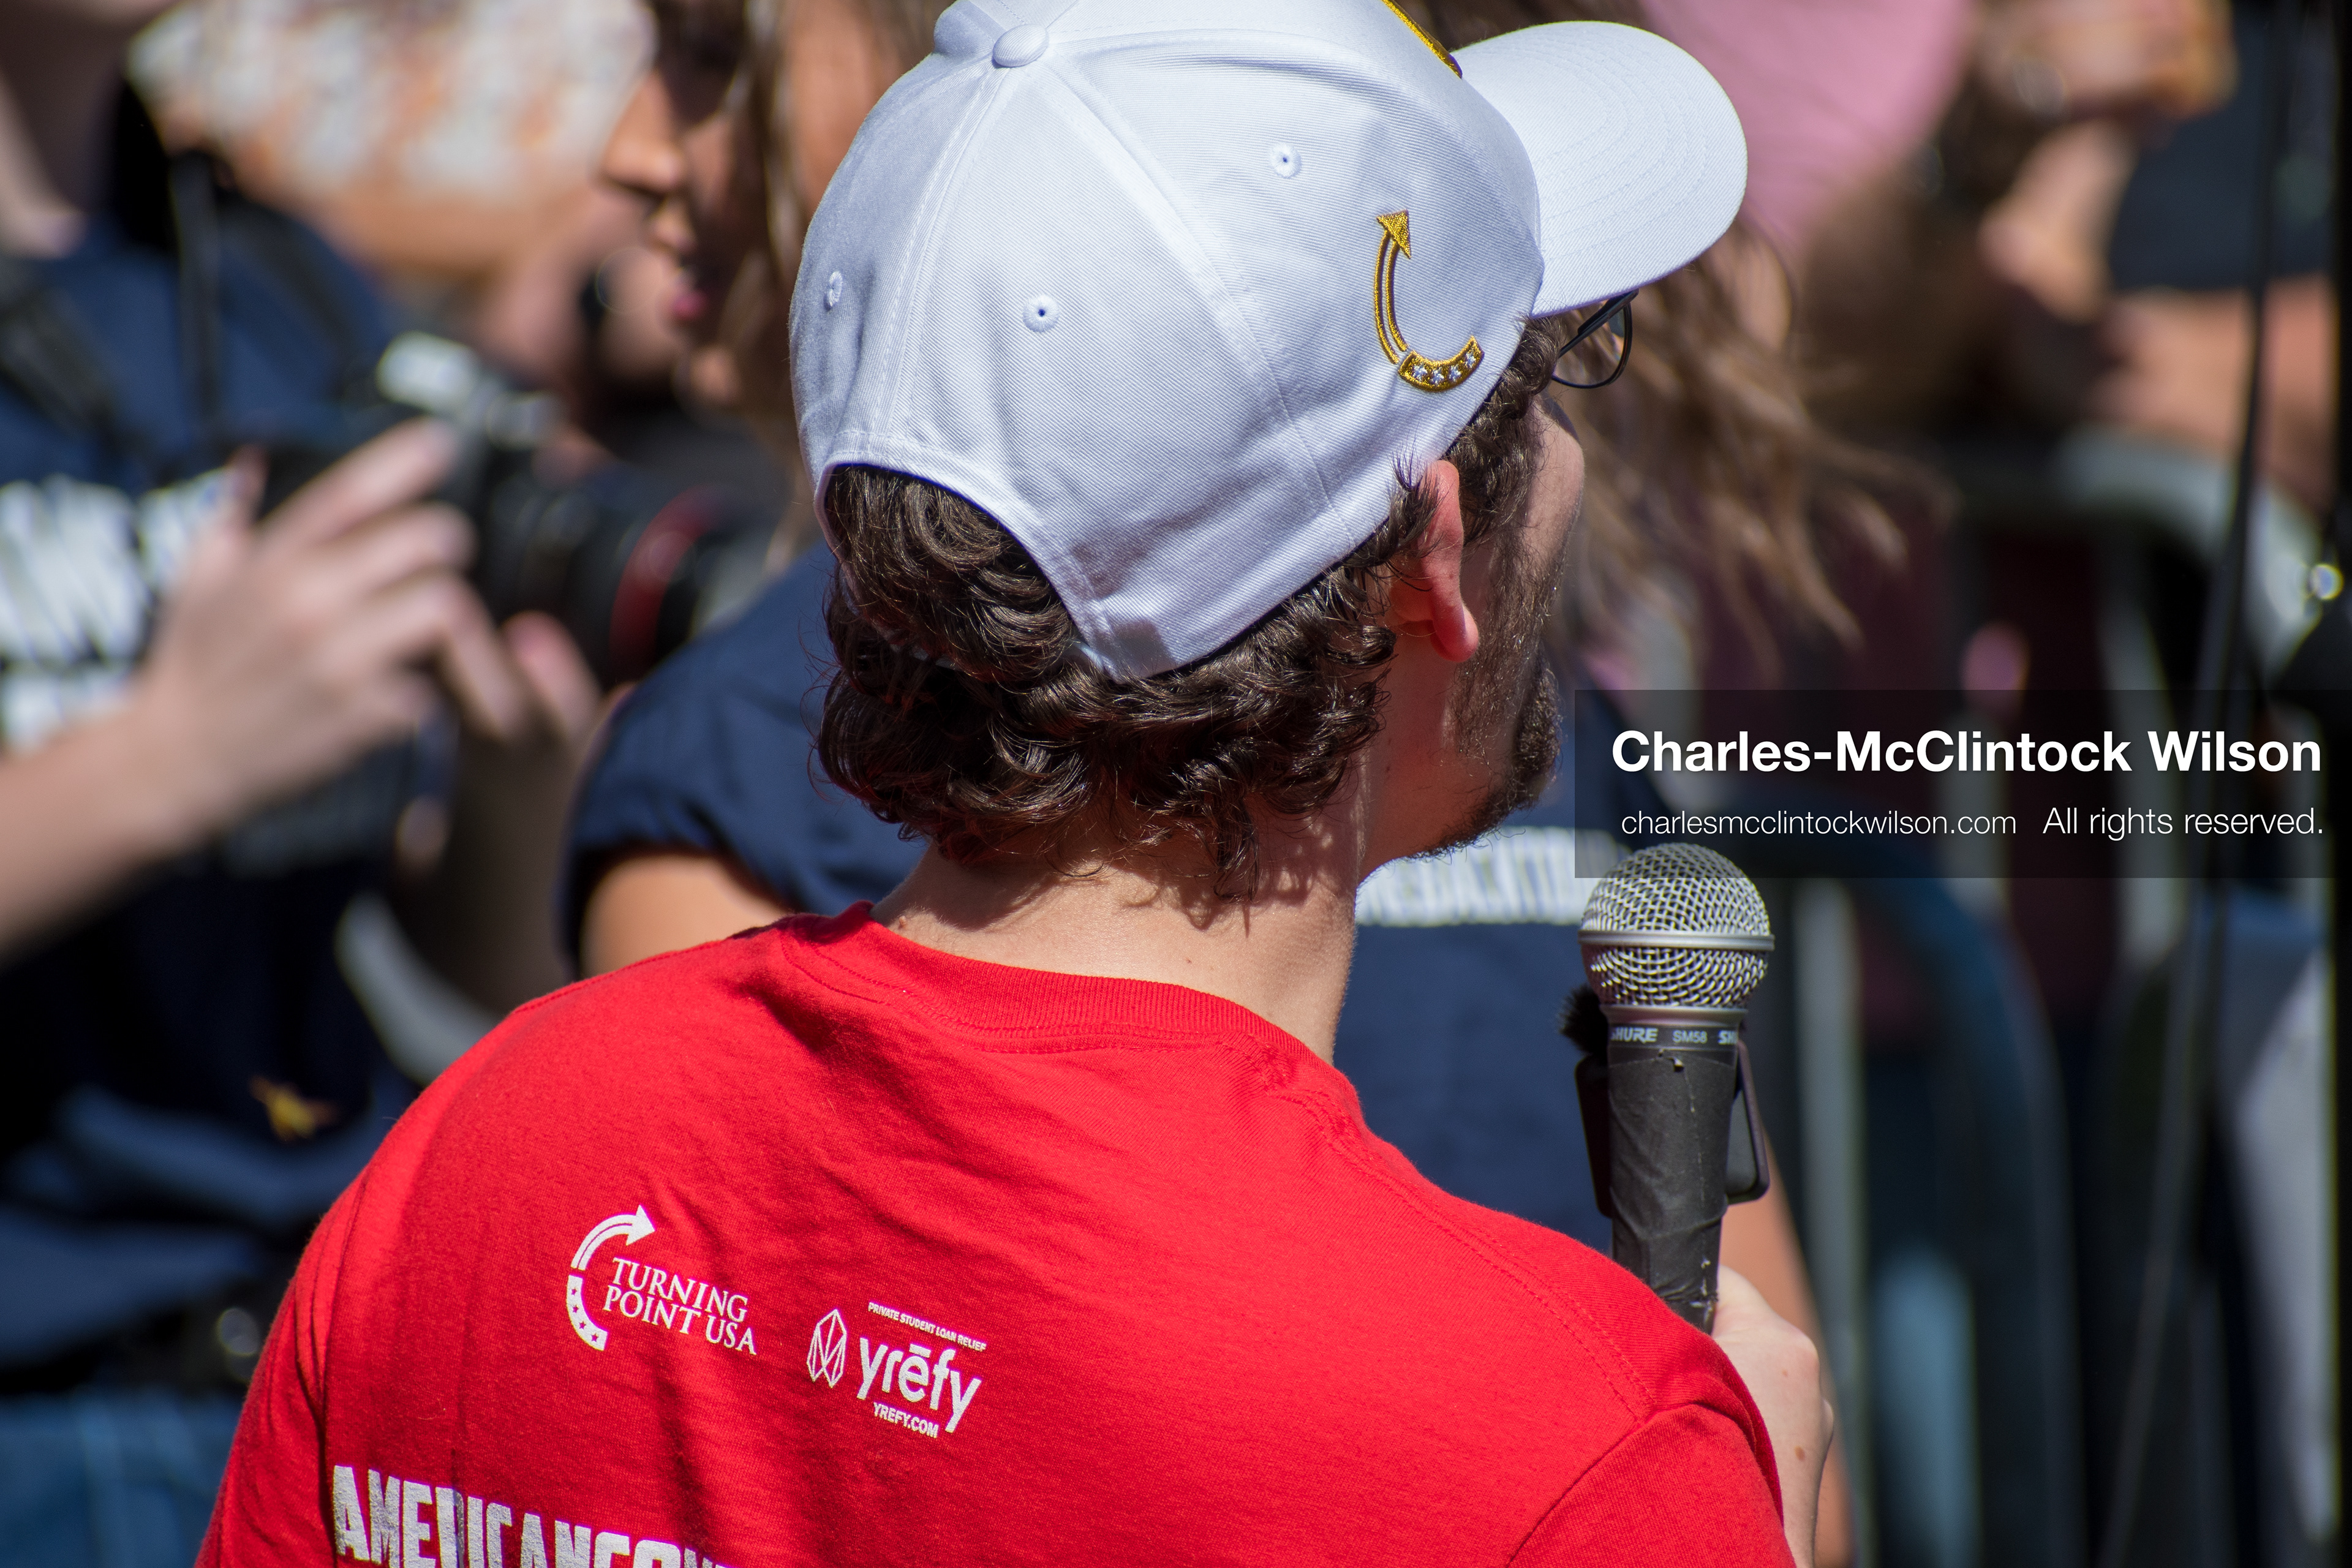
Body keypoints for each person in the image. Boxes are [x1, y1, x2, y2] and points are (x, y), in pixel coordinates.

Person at [198, 3, 1833, 1564]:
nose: (1576, 459)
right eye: (1561, 375)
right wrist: (1725, 1500)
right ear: (1432, 562)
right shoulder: (1564, 1450)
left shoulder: (476, 1164)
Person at [0, 4, 592, 1560]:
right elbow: (205, 755)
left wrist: (518, 789)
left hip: (337, 1358)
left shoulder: (280, 285)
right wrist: (166, 759)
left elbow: (463, 956)